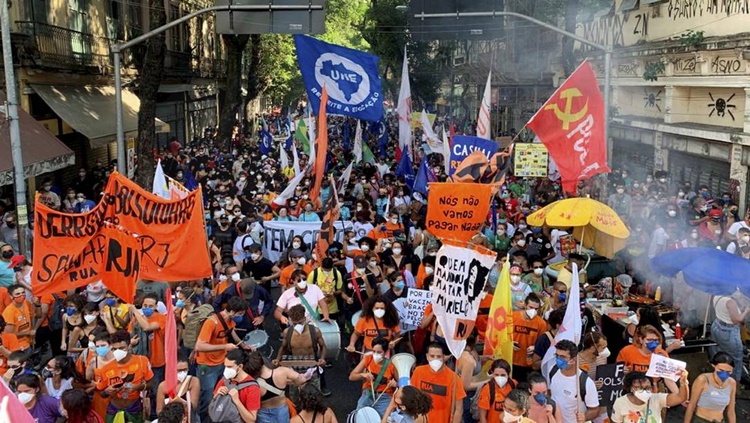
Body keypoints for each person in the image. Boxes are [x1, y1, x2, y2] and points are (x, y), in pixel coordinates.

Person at [195, 297, 248, 419]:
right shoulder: (211, 322)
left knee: (220, 392)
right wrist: (225, 346)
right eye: (240, 314)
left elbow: (231, 332)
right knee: (207, 396)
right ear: (231, 311)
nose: (241, 316)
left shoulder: (230, 320)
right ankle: (204, 419)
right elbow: (199, 346)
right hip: (207, 365)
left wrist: (243, 345)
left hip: (221, 362)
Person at [95, 330, 153, 423]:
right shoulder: (106, 368)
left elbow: (151, 383)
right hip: (114, 410)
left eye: (122, 348)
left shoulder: (142, 361)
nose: (118, 351)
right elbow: (101, 393)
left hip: (134, 409)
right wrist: (107, 391)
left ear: (129, 346)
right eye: (114, 349)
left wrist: (137, 387)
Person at [273, 304, 328, 399]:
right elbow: (283, 347)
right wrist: (277, 359)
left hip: (312, 368)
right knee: (294, 398)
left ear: (305, 318)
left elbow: (323, 347)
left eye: (300, 322)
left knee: (315, 397)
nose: (297, 326)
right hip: (294, 369)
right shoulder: (287, 332)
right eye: (294, 324)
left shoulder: (315, 331)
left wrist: (322, 358)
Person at [410, 342, 466, 423]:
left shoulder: (454, 378)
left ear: (444, 357)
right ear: (427, 356)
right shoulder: (418, 372)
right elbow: (412, 398)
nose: (435, 359)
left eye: (439, 356)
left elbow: (459, 409)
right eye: (432, 356)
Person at [247, 349, 308, 423]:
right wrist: (290, 382)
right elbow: (302, 380)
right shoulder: (282, 372)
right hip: (281, 411)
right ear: (262, 361)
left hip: (263, 414)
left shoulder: (252, 384)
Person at [547, 340, 599, 423]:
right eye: (557, 356)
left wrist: (585, 416)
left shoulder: (586, 383)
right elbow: (549, 393)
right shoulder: (552, 371)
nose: (558, 360)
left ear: (573, 359)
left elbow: (595, 410)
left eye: (563, 357)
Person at [611, 370, 688, 423]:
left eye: (647, 388)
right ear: (631, 388)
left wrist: (683, 382)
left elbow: (681, 397)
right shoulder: (620, 403)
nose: (644, 391)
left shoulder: (657, 399)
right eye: (640, 388)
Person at [349, 336, 398, 416]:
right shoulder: (368, 359)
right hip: (368, 393)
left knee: (384, 418)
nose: (375, 354)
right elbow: (351, 376)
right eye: (374, 351)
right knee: (360, 415)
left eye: (379, 352)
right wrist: (363, 375)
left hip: (384, 396)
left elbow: (400, 384)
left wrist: (395, 384)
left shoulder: (392, 365)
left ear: (385, 352)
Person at [683, 352, 737, 423]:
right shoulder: (702, 380)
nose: (724, 374)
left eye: (728, 372)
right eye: (720, 370)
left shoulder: (732, 383)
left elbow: (731, 411)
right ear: (714, 366)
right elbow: (691, 405)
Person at [709, 292, 749, 382]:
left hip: (717, 326)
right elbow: (736, 320)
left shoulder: (716, 294)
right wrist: (747, 310)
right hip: (728, 331)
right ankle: (735, 385)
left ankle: (717, 376)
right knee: (736, 359)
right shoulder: (730, 302)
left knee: (719, 353)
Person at [213, 350, 261, 423]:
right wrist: (217, 395)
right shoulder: (225, 380)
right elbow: (214, 404)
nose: (226, 370)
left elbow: (251, 420)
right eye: (225, 366)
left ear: (240, 366)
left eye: (230, 367)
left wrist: (237, 401)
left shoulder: (252, 387)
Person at [155, 352, 200, 423]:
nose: (182, 373)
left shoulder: (193, 381)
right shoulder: (163, 386)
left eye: (185, 370)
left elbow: (194, 407)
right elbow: (159, 410)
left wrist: (182, 402)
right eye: (179, 370)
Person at [512, 294, 546, 382]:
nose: (533, 311)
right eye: (531, 307)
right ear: (525, 305)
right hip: (511, 360)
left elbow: (542, 342)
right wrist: (509, 343)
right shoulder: (512, 317)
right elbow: (501, 336)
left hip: (528, 364)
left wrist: (535, 347)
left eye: (536, 309)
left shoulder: (541, 323)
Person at [478, 359, 517, 423]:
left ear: (508, 374)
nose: (500, 378)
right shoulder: (487, 389)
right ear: (492, 374)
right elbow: (482, 417)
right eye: (496, 375)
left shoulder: (513, 385)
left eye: (503, 375)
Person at [2, 284, 34, 353]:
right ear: (11, 296)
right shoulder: (9, 312)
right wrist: (27, 333)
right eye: (17, 294)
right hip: (18, 347)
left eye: (23, 293)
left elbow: (37, 315)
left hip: (28, 342)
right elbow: (9, 335)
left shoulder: (26, 303)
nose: (21, 295)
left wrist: (37, 305)